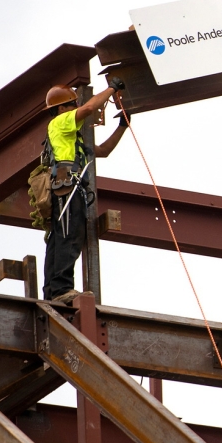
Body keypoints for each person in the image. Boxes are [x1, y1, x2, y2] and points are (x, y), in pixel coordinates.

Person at [42, 79, 129, 303]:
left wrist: (122, 127)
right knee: (69, 235)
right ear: (61, 109)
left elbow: (103, 151)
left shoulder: (71, 138)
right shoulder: (60, 122)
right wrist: (113, 88)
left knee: (60, 236)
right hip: (66, 186)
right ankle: (61, 289)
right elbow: (90, 108)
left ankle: (53, 290)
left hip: (67, 187)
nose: (76, 109)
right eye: (73, 105)